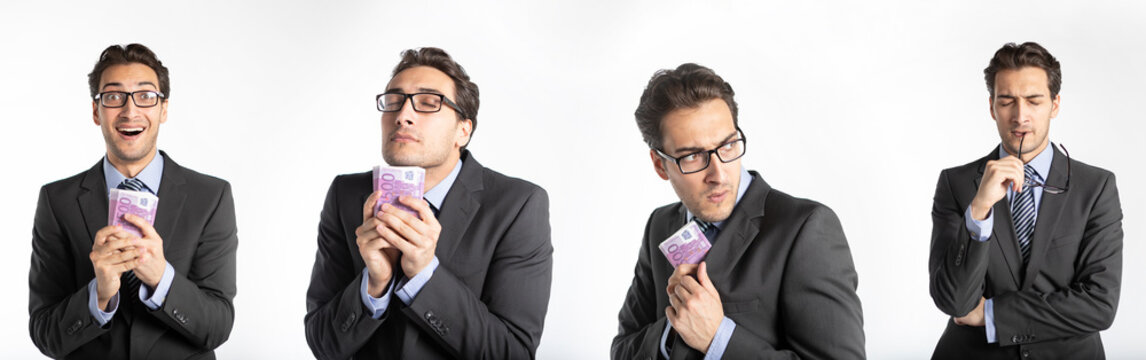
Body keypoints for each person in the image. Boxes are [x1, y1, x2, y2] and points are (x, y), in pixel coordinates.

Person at [304, 47, 553, 359]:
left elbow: (512, 352)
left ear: (463, 131)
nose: (403, 116)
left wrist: (424, 274)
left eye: (427, 103)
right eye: (394, 101)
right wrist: (374, 284)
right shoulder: (347, 194)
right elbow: (323, 344)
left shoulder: (518, 205)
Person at [612, 63, 865, 359]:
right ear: (660, 165)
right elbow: (622, 351)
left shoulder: (806, 228)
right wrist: (671, 331)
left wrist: (718, 339)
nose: (718, 174)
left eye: (728, 145)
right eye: (693, 156)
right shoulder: (661, 224)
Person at [28, 43, 238, 359]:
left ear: (163, 109)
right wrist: (98, 294)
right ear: (96, 111)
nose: (130, 111)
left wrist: (161, 279)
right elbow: (45, 334)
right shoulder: (57, 201)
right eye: (113, 97)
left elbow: (218, 327)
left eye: (145, 96)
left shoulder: (211, 197)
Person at [928, 42, 1123, 359]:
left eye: (1034, 101)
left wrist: (991, 315)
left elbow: (1100, 305)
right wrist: (979, 210)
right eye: (1007, 102)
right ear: (992, 107)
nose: (1020, 116)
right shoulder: (957, 184)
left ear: (1054, 105)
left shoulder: (1096, 187)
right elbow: (954, 303)